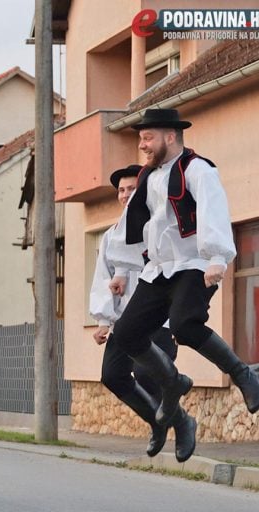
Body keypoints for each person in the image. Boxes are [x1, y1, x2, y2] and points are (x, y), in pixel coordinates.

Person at [114, 108, 259, 461]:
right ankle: (173, 386)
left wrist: (216, 257)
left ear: (170, 136)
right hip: (161, 269)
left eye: (147, 138)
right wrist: (122, 269)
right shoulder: (149, 178)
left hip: (196, 264)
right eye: (140, 139)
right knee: (127, 335)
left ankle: (244, 374)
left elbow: (214, 211)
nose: (142, 145)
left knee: (185, 324)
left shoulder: (198, 170)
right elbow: (137, 225)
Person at [89, 164, 187, 460]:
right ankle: (160, 423)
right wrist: (103, 319)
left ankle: (179, 424)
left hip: (158, 319)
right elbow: (103, 278)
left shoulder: (161, 229)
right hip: (125, 322)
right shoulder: (112, 236)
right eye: (121, 190)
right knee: (113, 376)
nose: (125, 194)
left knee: (146, 372)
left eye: (132, 188)